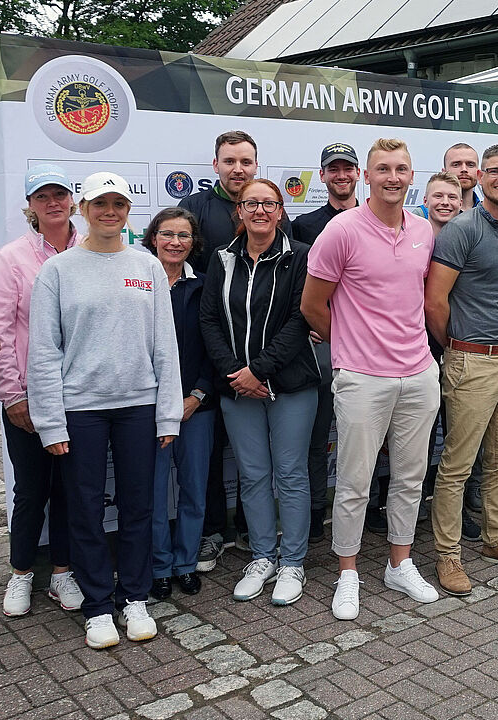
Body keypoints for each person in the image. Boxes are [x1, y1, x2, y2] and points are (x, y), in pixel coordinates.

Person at [28, 171, 181, 650]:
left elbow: (165, 346)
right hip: (81, 410)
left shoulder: (147, 266)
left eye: (118, 204)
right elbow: (44, 351)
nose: (109, 212)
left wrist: (168, 413)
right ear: (82, 209)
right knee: (85, 507)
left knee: (139, 505)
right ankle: (97, 605)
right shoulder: (58, 271)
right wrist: (50, 420)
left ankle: (134, 597)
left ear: (128, 211)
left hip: (139, 405)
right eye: (99, 204)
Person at [302, 138, 442, 620]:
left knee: (409, 477)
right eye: (383, 169)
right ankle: (348, 572)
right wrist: (349, 350)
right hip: (362, 378)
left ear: (411, 175)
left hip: (420, 373)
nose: (393, 177)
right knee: (355, 482)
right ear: (367, 176)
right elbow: (312, 305)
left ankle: (399, 564)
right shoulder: (341, 231)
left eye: (402, 169)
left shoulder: (424, 230)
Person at [426, 144, 498, 596]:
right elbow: (435, 301)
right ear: (478, 174)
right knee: (457, 465)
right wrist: (457, 346)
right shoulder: (459, 229)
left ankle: (496, 539)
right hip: (470, 360)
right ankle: (448, 556)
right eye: (493, 171)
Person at [199, 178, 319, 605]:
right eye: (251, 203)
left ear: (281, 211)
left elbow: (300, 319)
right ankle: (263, 556)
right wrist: (236, 372)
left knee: (290, 474)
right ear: (240, 211)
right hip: (236, 388)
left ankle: (292, 562)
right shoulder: (222, 258)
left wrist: (259, 371)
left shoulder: (301, 256)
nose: (260, 211)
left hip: (290, 384)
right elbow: (209, 320)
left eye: (269, 203)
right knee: (252, 475)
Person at [181, 131, 284, 570]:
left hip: (263, 357)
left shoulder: (277, 214)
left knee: (255, 452)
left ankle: (249, 527)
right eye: (229, 161)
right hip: (215, 350)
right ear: (215, 165)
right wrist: (225, 362)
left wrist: (260, 365)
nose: (238, 169)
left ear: (256, 165)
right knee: (211, 448)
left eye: (245, 161)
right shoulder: (197, 211)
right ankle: (211, 533)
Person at [0, 164, 85, 618]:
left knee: (70, 488)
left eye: (60, 194)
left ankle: (63, 574)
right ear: (30, 205)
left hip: (82, 396)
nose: (53, 203)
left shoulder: (92, 250)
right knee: (31, 491)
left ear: (73, 201)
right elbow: (3, 330)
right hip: (31, 394)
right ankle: (22, 572)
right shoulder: (12, 257)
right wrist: (13, 394)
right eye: (43, 196)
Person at [142, 208, 216, 600]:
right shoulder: (136, 284)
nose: (175, 242)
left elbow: (214, 348)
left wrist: (198, 395)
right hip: (147, 409)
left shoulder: (204, 287)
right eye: (167, 233)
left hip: (195, 407)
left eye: (184, 235)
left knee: (193, 489)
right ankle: (158, 566)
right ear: (153, 237)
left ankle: (185, 563)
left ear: (194, 243)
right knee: (153, 492)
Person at [293, 142, 362, 543]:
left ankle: (370, 508)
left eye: (347, 169)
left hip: (369, 346)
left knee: (370, 435)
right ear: (322, 176)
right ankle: (316, 511)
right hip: (323, 344)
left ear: (358, 174)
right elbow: (302, 291)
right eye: (333, 169)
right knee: (318, 437)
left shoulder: (379, 219)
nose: (341, 175)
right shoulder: (304, 225)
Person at [419, 173, 483, 541]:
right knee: (420, 438)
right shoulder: (413, 238)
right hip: (422, 350)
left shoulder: (471, 237)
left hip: (464, 350)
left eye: (452, 197)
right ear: (425, 199)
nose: (445, 202)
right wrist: (442, 341)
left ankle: (456, 510)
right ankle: (415, 507)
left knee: (460, 435)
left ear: (462, 202)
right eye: (437, 196)